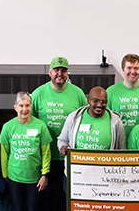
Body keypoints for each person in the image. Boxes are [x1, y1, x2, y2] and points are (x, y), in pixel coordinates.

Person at [30, 56, 86, 211]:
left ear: (68, 73)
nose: (59, 73)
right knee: (46, 195)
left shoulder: (78, 93)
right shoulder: (39, 93)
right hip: (46, 155)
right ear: (50, 72)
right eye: (56, 70)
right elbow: (29, 120)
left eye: (63, 70)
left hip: (69, 155)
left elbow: (85, 119)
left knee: (66, 194)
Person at [0, 92, 52, 211]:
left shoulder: (40, 126)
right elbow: (4, 153)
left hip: (35, 178)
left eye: (27, 105)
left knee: (33, 208)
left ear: (31, 106)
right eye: (21, 105)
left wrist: (45, 174)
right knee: (17, 208)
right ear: (15, 107)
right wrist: (5, 174)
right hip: (15, 177)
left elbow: (46, 153)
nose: (24, 109)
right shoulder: (8, 127)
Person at [58, 86, 127, 153]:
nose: (99, 105)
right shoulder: (73, 117)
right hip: (77, 164)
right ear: (88, 100)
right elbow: (62, 140)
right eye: (95, 101)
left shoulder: (116, 122)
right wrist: (63, 147)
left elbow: (122, 149)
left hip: (105, 164)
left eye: (103, 102)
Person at [106, 53, 139, 134]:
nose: (133, 72)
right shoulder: (111, 92)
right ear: (123, 69)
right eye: (129, 68)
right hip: (118, 138)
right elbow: (106, 119)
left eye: (136, 68)